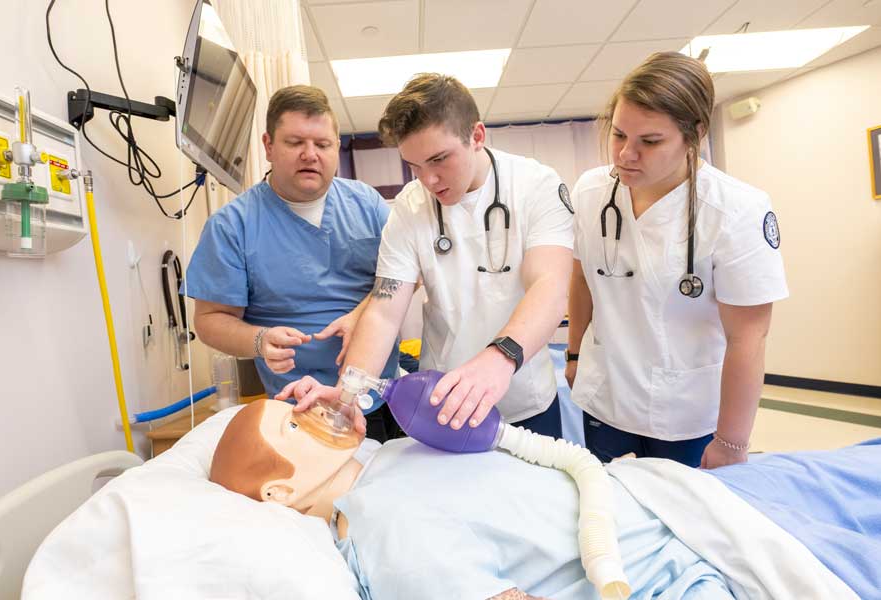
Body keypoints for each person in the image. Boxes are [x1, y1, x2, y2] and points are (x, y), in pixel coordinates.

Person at [210, 399, 880, 600]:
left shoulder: (394, 452)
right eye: (290, 425)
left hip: (681, 496)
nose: (311, 411)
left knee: (856, 465)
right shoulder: (389, 550)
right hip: (687, 554)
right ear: (279, 489)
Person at [281, 73, 575, 439]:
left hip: (522, 398)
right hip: (441, 400)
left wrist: (499, 359)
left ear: (477, 136)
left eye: (439, 159)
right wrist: (348, 397)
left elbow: (549, 287)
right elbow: (386, 312)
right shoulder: (410, 206)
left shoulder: (536, 186)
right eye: (415, 166)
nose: (429, 180)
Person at [565, 52, 789, 468]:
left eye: (650, 142)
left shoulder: (737, 209)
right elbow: (581, 276)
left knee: (685, 519)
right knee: (611, 513)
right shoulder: (590, 192)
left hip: (687, 413)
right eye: (618, 135)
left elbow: (749, 337)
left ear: (695, 134)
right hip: (605, 395)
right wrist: (574, 353)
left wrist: (732, 442)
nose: (625, 155)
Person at [187, 85, 402, 442]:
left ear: (336, 147)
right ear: (268, 145)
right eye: (295, 142)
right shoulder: (232, 226)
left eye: (322, 144)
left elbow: (409, 274)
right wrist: (259, 340)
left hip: (378, 394)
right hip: (298, 408)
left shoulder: (366, 203)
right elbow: (209, 321)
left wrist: (360, 312)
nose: (310, 155)